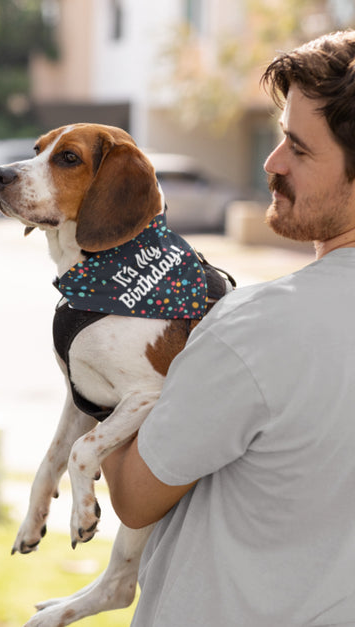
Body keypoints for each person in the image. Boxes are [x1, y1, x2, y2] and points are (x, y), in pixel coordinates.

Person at [102, 30, 355, 626]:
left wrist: (95, 352)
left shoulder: (259, 329)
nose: (273, 163)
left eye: (299, 148)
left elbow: (135, 498)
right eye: (279, 137)